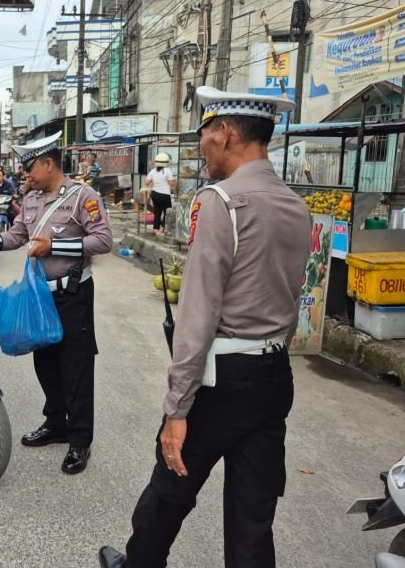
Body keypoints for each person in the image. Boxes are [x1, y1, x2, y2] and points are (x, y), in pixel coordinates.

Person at [98, 87, 312, 568]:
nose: (203, 151)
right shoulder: (295, 206)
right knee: (253, 519)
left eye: (206, 138)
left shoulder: (221, 201)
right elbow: (289, 297)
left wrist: (178, 408)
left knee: (169, 491)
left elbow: (197, 314)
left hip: (221, 380)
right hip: (274, 378)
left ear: (227, 132)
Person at [0, 132, 113, 474]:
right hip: (40, 295)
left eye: (30, 167)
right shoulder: (29, 200)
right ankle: (55, 423)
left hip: (73, 295)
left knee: (77, 368)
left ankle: (80, 440)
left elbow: (103, 242)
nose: (26, 173)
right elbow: (15, 237)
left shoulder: (81, 197)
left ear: (48, 163)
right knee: (46, 362)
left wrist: (53, 248)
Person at [145, 153, 177, 236]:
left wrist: (155, 182)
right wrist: (175, 189)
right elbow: (172, 184)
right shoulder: (167, 171)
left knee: (157, 212)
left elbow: (147, 182)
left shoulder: (153, 171)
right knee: (167, 212)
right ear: (166, 163)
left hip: (154, 194)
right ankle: (163, 229)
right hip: (164, 194)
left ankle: (156, 230)